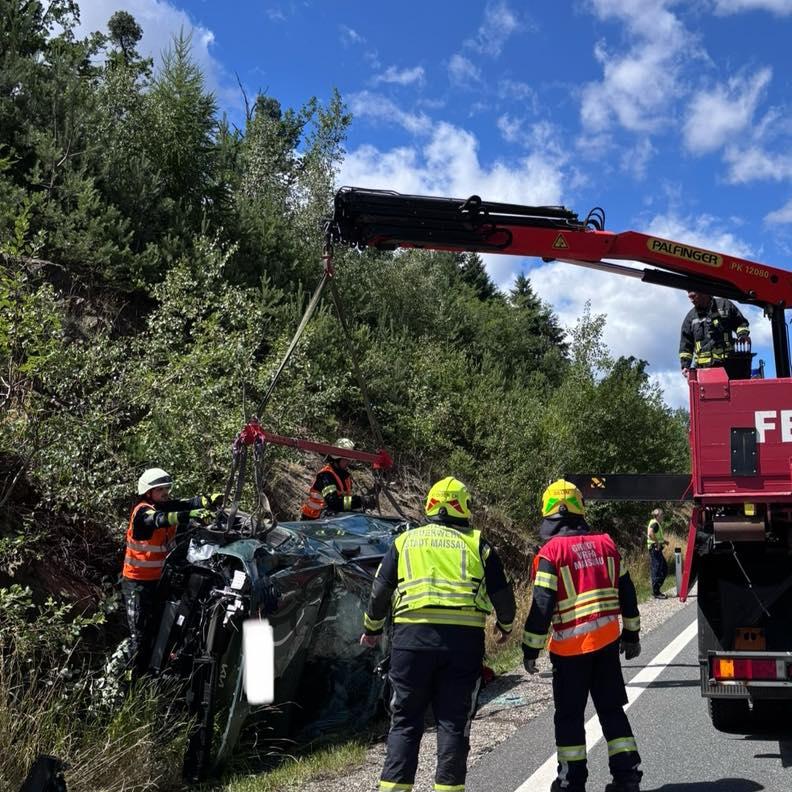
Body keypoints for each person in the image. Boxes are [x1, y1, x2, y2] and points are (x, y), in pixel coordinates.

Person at [360, 476, 516, 792]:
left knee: (405, 722)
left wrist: (372, 629)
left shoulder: (405, 542)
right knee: (453, 723)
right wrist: (506, 625)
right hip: (462, 645)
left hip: (411, 642)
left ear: (430, 506)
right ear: (463, 508)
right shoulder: (478, 543)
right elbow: (502, 594)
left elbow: (379, 592)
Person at [522, 479, 642, 792]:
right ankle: (627, 777)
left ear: (549, 514)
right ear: (580, 510)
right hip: (607, 644)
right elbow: (627, 592)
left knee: (570, 718)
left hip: (570, 651)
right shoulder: (607, 544)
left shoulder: (551, 553)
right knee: (612, 710)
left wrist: (531, 649)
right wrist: (632, 634)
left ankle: (570, 783)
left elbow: (542, 605)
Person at [122, 467, 217, 672]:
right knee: (138, 636)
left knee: (154, 628)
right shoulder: (142, 512)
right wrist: (187, 515)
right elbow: (159, 519)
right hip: (136, 584)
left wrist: (207, 500)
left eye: (167, 488)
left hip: (158, 580)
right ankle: (129, 678)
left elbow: (185, 503)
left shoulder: (163, 505)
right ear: (148, 492)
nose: (166, 493)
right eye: (160, 490)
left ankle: (150, 674)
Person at [679, 291, 750, 376]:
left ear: (703, 291)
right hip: (704, 370)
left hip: (729, 366)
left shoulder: (725, 305)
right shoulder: (690, 317)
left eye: (693, 296)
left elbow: (741, 323)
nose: (691, 300)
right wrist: (685, 366)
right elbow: (685, 344)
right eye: (689, 297)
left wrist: (743, 335)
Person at [300, 437, 373, 520]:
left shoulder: (345, 477)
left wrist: (361, 501)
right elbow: (333, 503)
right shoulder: (326, 476)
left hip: (327, 519)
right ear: (337, 458)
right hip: (313, 519)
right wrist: (359, 501)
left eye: (349, 459)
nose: (349, 462)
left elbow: (345, 501)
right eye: (346, 459)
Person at [647, 508, 668, 600]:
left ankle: (656, 590)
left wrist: (664, 541)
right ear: (657, 516)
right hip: (655, 549)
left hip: (656, 549)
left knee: (663, 568)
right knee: (658, 569)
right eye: (662, 514)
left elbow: (655, 536)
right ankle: (656, 592)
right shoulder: (655, 523)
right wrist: (658, 543)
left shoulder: (655, 523)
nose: (663, 516)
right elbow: (650, 534)